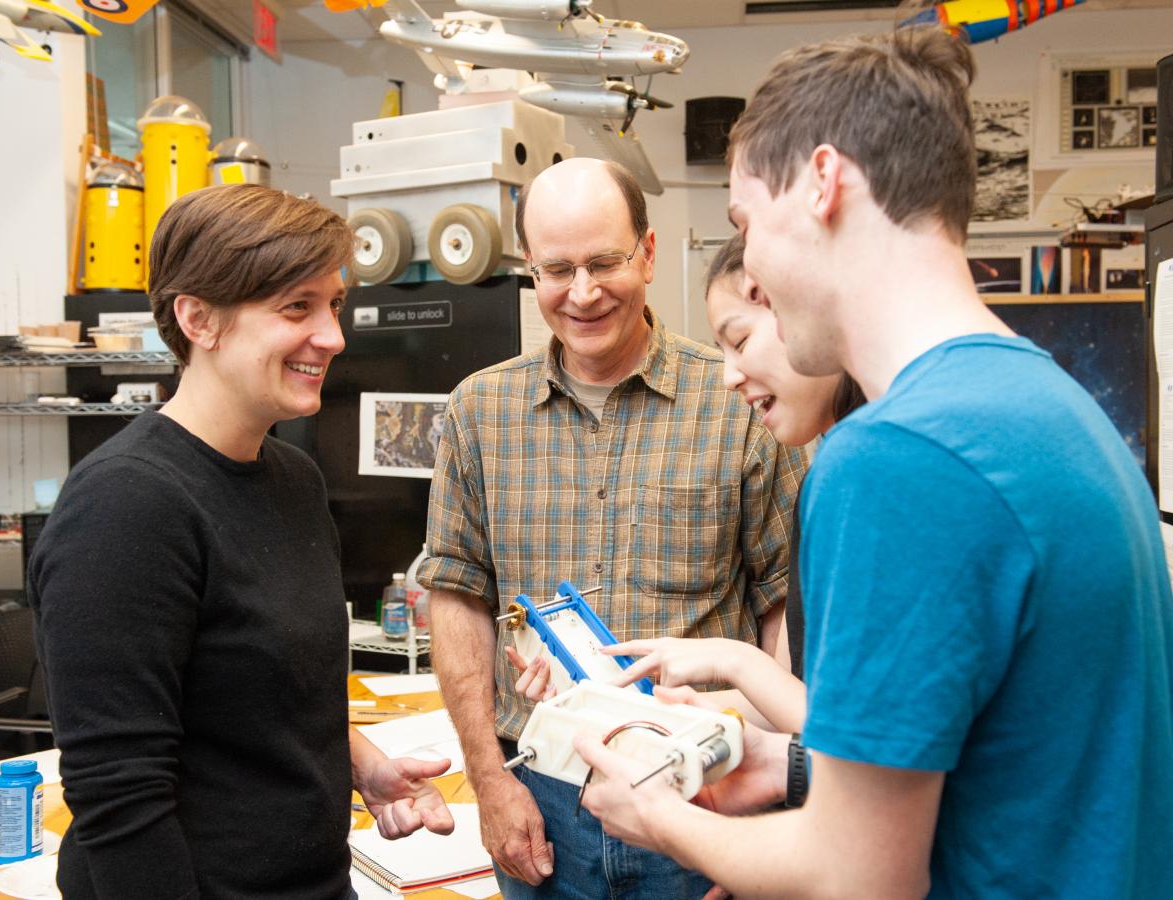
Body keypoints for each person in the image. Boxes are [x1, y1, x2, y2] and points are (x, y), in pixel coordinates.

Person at [572, 25, 1173, 898]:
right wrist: (788, 762)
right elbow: (1011, 764)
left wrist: (655, 813)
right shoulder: (1052, 409)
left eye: (746, 224)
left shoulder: (895, 461)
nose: (758, 277)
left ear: (823, 182)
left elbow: (854, 879)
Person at [29, 184, 454, 900]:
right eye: (297, 307)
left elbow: (262, 695)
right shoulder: (127, 507)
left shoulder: (290, 477)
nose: (333, 335)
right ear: (198, 318)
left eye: (334, 304)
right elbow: (119, 798)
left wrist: (359, 763)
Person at [417, 157, 807, 899]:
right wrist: (489, 782)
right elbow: (457, 599)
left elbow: (786, 604)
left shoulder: (740, 399)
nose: (583, 292)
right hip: (540, 793)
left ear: (649, 254)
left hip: (698, 782)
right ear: (531, 271)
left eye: (604, 262)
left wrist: (765, 790)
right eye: (557, 269)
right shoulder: (478, 412)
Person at [512, 233, 864, 735]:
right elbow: (803, 702)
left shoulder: (867, 474)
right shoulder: (829, 474)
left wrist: (735, 660)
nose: (729, 377)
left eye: (740, 341)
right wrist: (645, 710)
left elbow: (865, 739)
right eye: (557, 268)